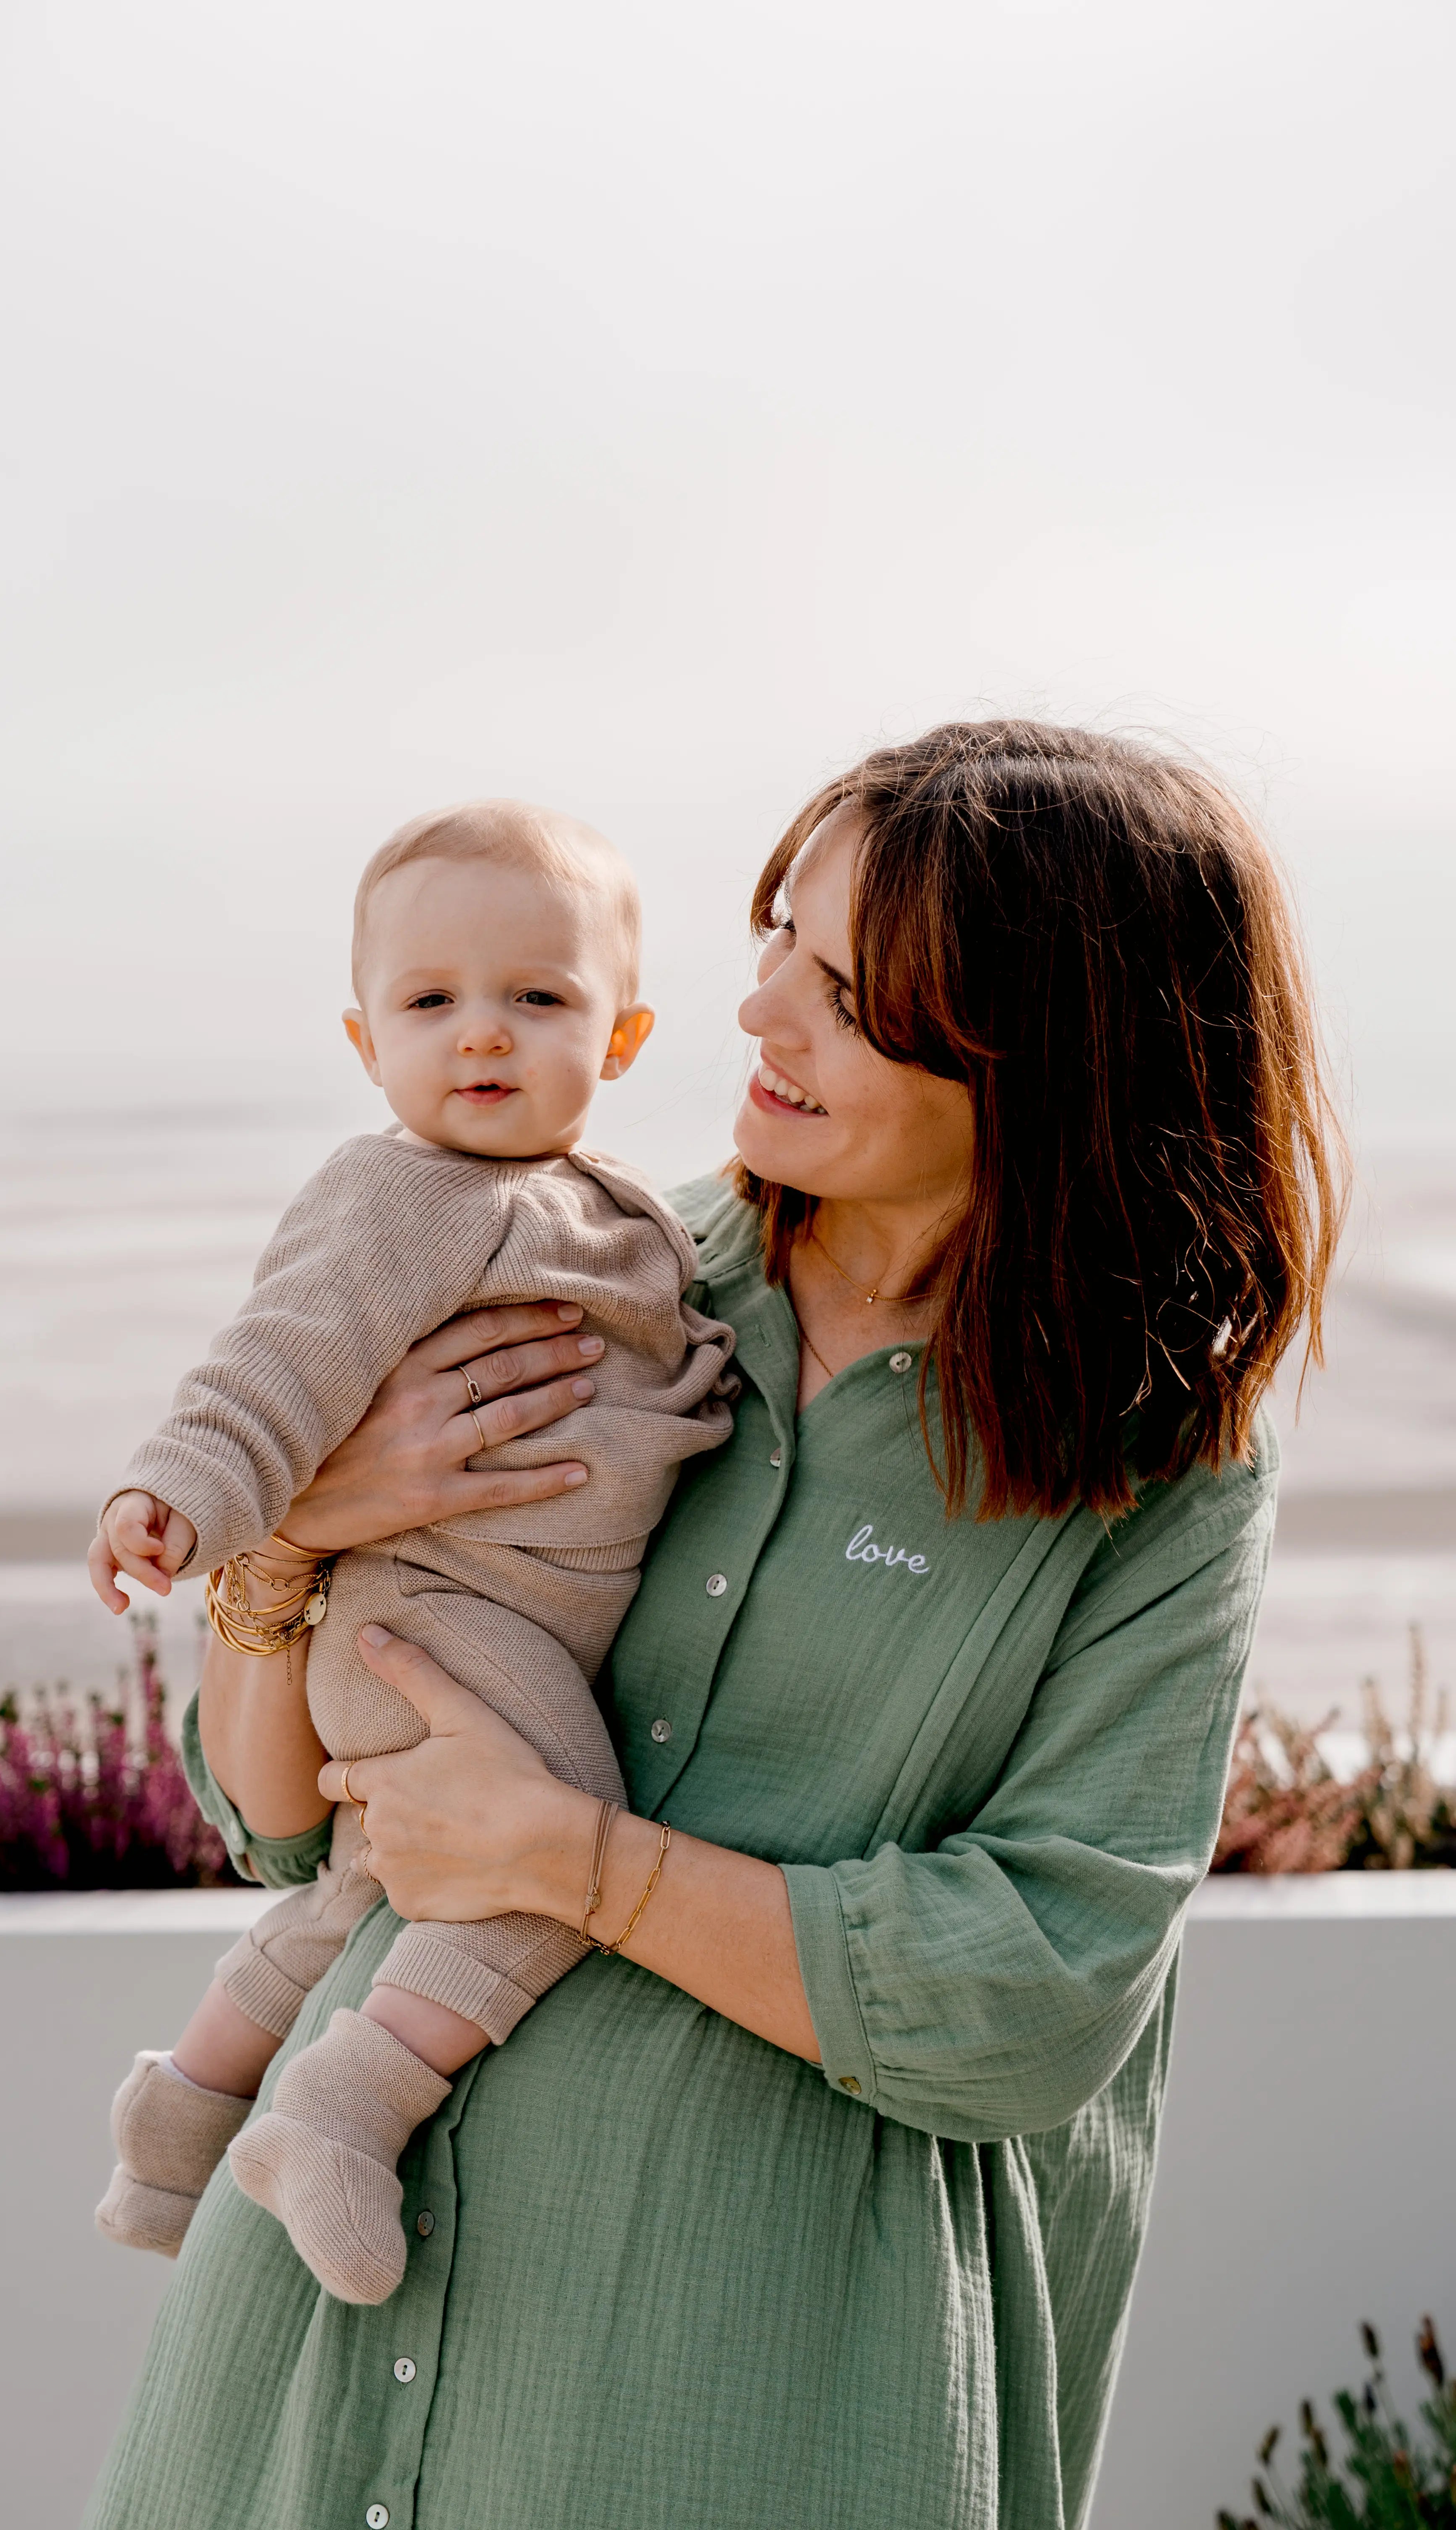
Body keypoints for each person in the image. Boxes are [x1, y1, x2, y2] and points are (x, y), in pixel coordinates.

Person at [85, 722, 1344, 2530]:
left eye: (848, 991)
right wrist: (292, 1537)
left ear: (1047, 1055)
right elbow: (282, 1820)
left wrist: (585, 1864)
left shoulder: (1162, 1472)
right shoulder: (571, 1288)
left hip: (743, 2394)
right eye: (775, 937)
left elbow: (1040, 1986)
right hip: (308, 2359)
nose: (758, 1014)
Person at [88, 799, 734, 2303]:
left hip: (470, 1622)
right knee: (551, 1838)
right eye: (431, 1003)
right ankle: (345, 2106)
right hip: (431, 1626)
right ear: (366, 1038)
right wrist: (182, 1493)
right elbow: (275, 1364)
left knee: (361, 1895)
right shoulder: (404, 1198)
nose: (482, 1037)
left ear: (623, 1037)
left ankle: (176, 2116)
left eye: (539, 999)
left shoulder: (598, 1206)